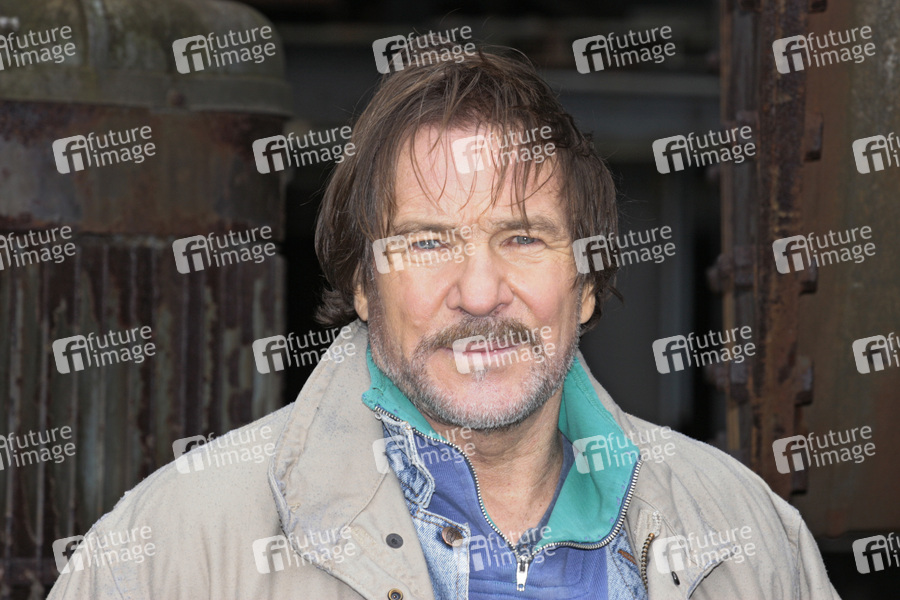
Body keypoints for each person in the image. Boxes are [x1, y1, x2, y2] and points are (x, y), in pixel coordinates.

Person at [48, 44, 840, 600]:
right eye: (428, 242)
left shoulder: (747, 533)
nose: (480, 292)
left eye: (521, 238)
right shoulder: (178, 543)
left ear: (586, 285)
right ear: (363, 285)